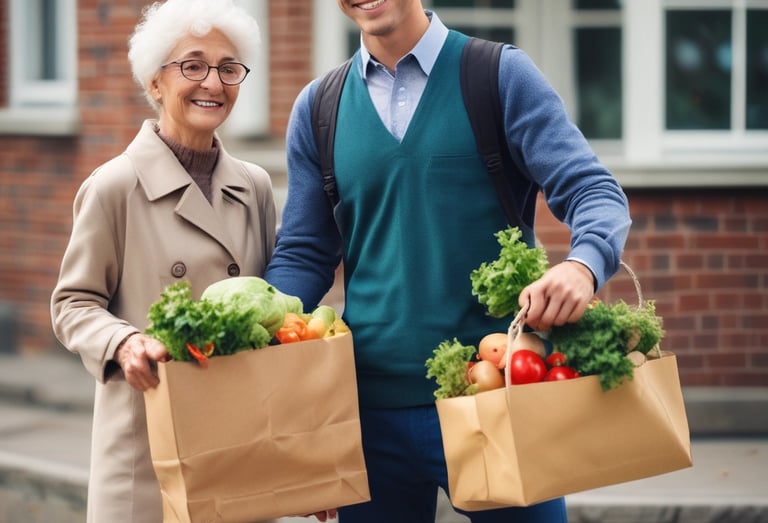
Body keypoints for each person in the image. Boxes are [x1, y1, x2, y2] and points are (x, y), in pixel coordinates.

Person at [264, 1, 632, 522]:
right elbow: (303, 253)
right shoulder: (319, 107)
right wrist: (256, 330)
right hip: (367, 416)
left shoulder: (496, 75)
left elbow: (593, 190)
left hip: (499, 396)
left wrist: (583, 264)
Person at [50, 1, 277, 521]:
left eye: (227, 67)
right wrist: (124, 341)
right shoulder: (115, 186)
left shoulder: (255, 186)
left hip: (238, 448)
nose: (213, 84)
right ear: (155, 83)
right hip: (147, 456)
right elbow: (72, 304)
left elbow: (271, 311)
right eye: (193, 65)